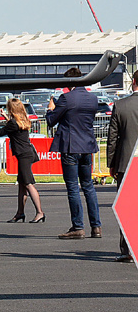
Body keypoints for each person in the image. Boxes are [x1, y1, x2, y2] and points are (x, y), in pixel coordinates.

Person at [46, 70, 101, 240]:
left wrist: (50, 110)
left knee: (72, 187)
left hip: (71, 146)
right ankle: (96, 226)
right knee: (88, 186)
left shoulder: (66, 98)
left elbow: (51, 121)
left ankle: (78, 226)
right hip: (87, 146)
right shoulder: (92, 98)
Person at [0, 99, 44, 223]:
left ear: (12, 109)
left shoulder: (13, 123)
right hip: (27, 153)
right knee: (22, 184)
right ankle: (20, 213)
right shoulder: (23, 120)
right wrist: (5, 116)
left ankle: (40, 212)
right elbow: (14, 126)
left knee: (28, 183)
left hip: (23, 155)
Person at [107, 76, 138, 262]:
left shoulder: (120, 105)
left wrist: (112, 163)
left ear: (133, 82)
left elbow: (113, 138)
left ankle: (127, 249)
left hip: (127, 161)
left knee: (127, 208)